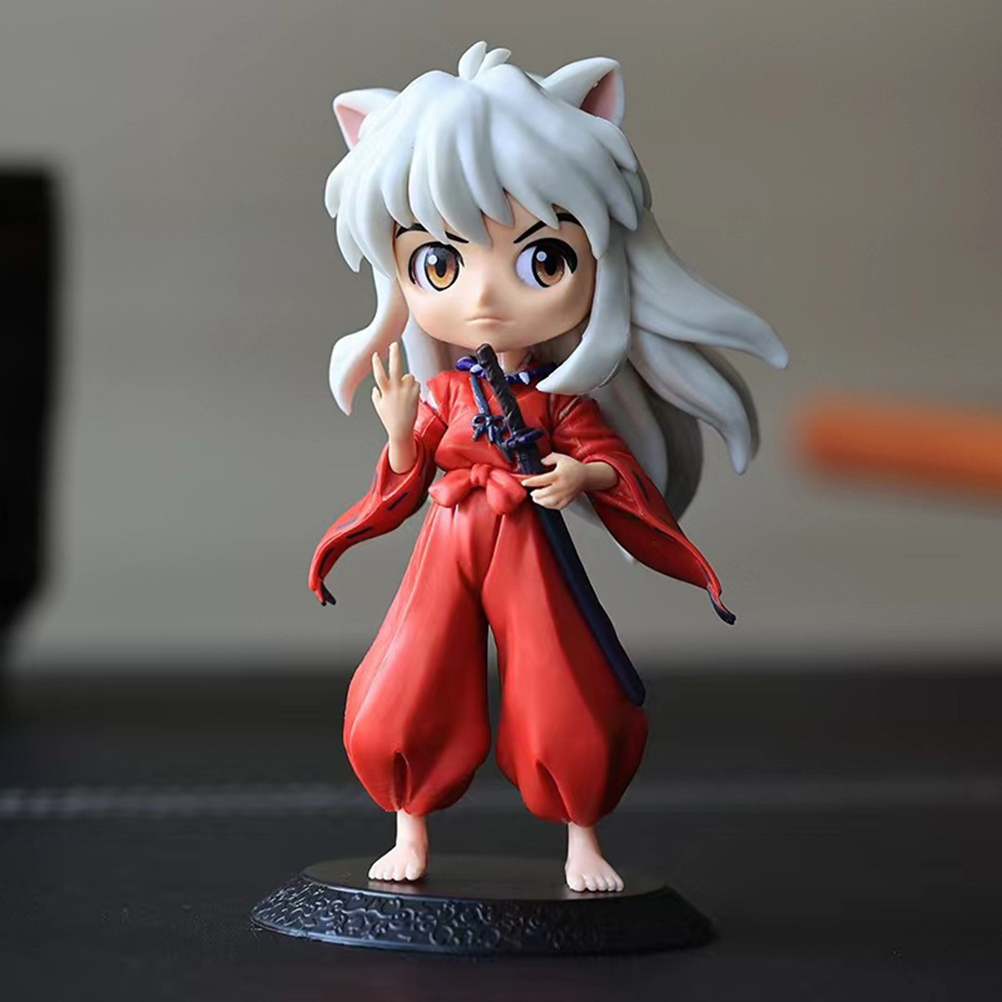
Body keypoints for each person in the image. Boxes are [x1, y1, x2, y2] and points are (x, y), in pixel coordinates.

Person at [309, 41, 787, 892]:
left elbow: (604, 457)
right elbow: (405, 479)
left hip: (525, 536)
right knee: (413, 666)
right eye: (440, 263)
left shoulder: (557, 399)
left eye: (543, 259)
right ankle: (408, 824)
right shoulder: (444, 392)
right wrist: (400, 433)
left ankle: (581, 835)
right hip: (451, 534)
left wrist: (579, 477)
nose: (484, 297)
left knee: (561, 672)